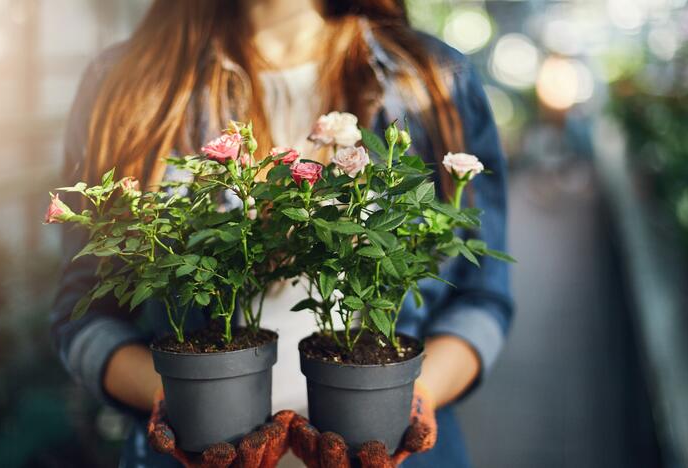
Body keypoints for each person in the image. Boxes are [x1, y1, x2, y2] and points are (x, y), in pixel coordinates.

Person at [50, 1, 512, 466]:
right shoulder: (128, 81)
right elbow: (82, 313)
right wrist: (178, 400)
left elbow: (482, 301)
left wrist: (414, 397)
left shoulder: (433, 80)